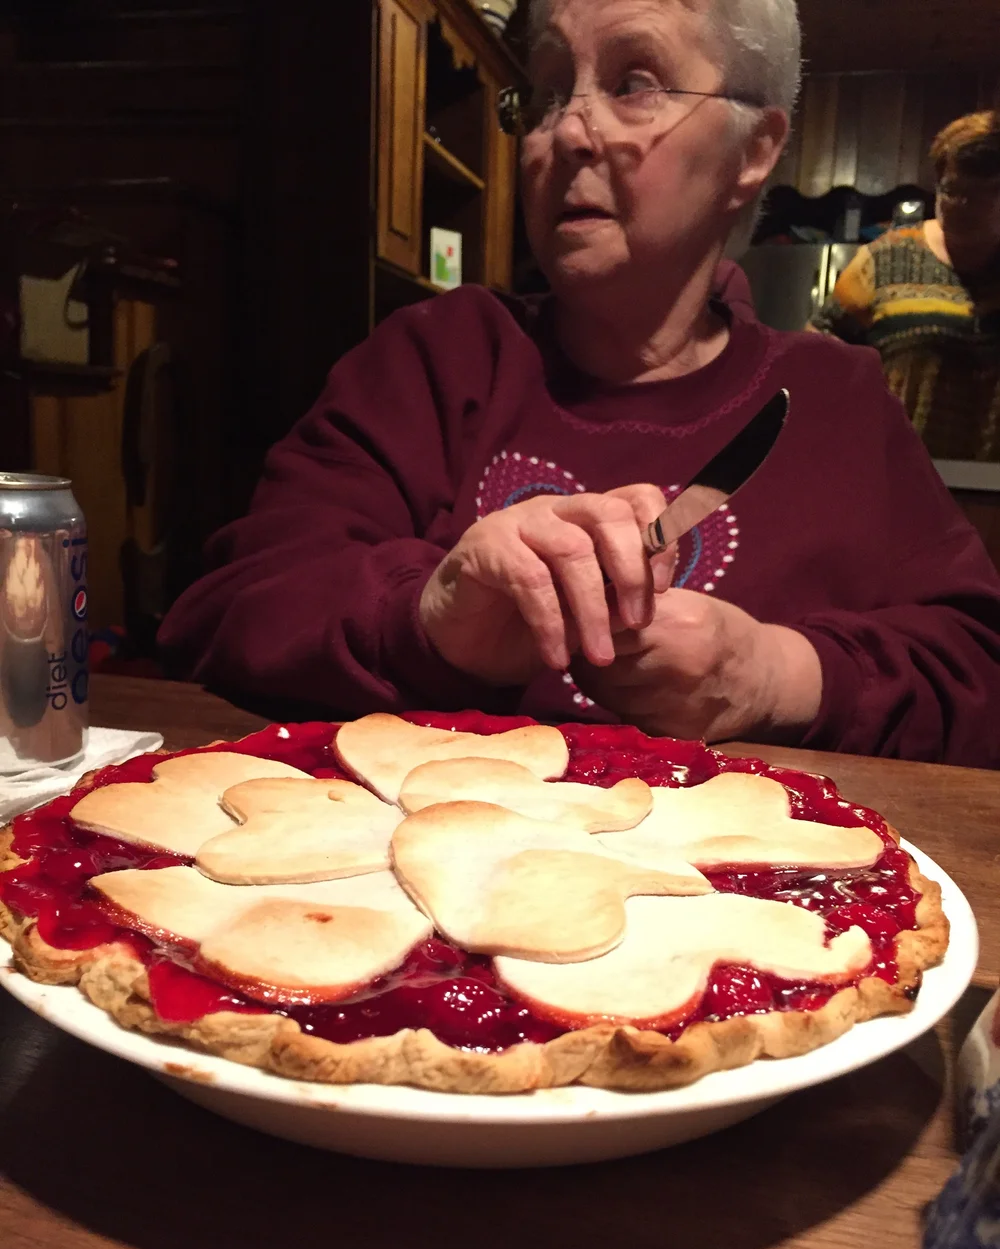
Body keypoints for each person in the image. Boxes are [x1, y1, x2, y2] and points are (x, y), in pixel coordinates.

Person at [159, 0, 1000, 769]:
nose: (566, 132)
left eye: (634, 83)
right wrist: (428, 615)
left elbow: (980, 675)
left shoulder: (837, 400)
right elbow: (230, 607)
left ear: (754, 151)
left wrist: (773, 675)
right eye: (548, 92)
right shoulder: (436, 357)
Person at [812, 112, 1000, 462]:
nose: (962, 207)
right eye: (951, 190)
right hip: (896, 474)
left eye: (980, 195)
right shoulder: (886, 259)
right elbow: (817, 352)